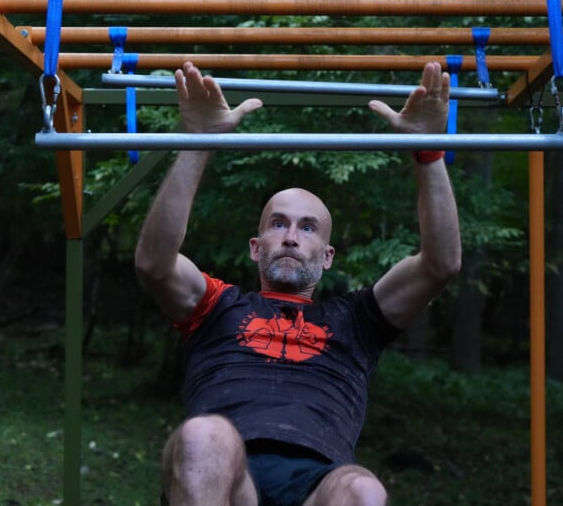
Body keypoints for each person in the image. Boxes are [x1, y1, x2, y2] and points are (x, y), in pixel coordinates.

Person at [135, 61, 461, 506]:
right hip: (226, 481)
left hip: (316, 487)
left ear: (327, 257)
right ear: (255, 247)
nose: (291, 236)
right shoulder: (217, 306)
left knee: (363, 489)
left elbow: (439, 264)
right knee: (204, 435)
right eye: (279, 224)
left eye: (308, 228)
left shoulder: (357, 320)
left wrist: (430, 152)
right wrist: (197, 142)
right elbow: (155, 263)